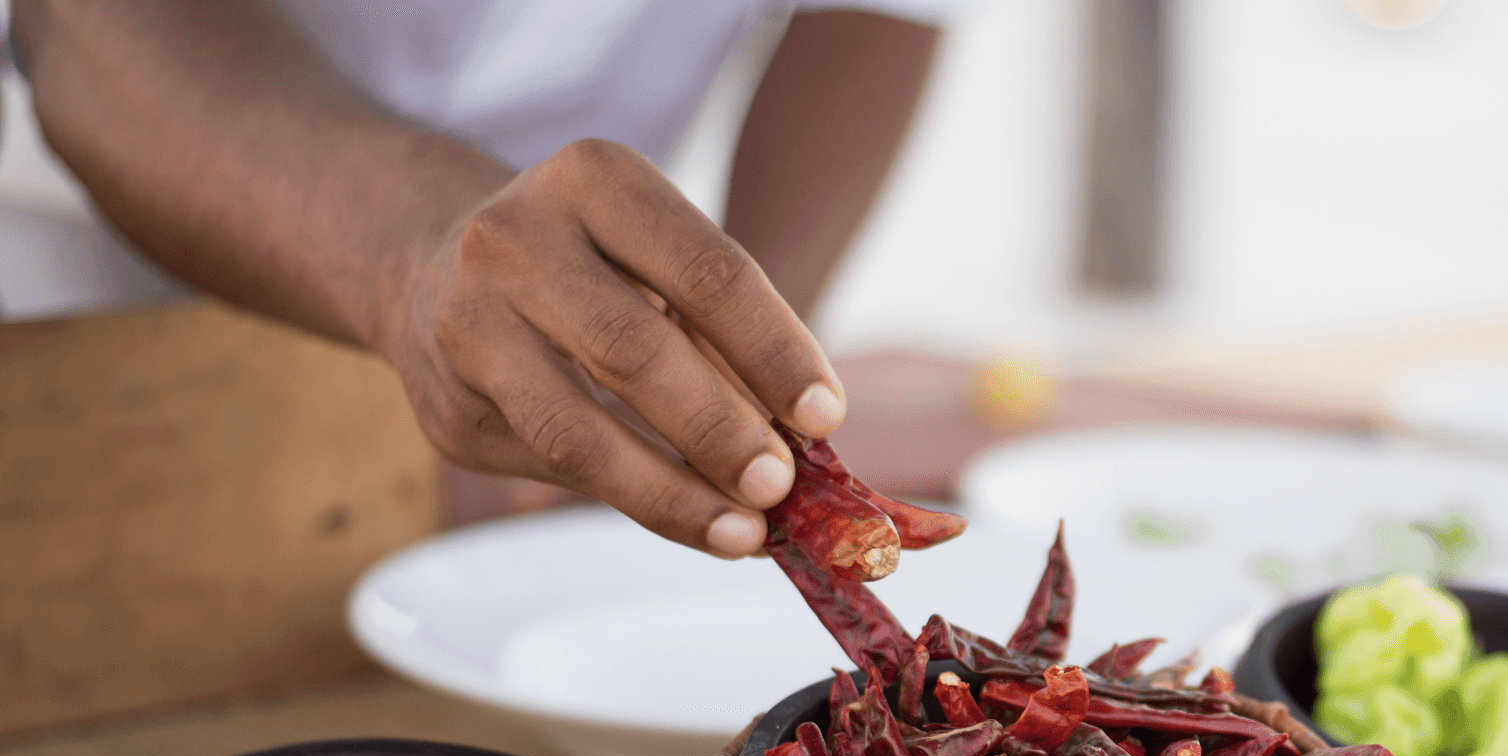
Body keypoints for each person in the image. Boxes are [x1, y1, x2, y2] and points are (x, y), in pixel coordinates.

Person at [9, 0, 959, 556]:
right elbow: (87, 22)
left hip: (580, 296)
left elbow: (880, 13)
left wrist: (731, 381)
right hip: (130, 283)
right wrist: (413, 260)